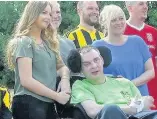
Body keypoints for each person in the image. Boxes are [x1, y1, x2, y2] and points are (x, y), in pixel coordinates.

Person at [6, 1, 70, 119]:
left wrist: (65, 80)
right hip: (28, 103)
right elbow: (26, 81)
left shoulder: (49, 43)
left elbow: (62, 67)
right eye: (44, 13)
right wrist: (57, 96)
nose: (48, 17)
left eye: (50, 14)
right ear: (33, 14)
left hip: (48, 104)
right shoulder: (25, 42)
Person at [69, 46, 155, 119]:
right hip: (111, 115)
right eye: (87, 64)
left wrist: (142, 103)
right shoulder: (80, 86)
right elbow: (93, 111)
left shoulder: (124, 82)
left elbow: (141, 107)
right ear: (80, 68)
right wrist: (133, 108)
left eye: (96, 60)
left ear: (102, 60)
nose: (94, 66)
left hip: (136, 116)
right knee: (111, 109)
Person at [92, 5, 154, 96]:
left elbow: (150, 71)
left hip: (141, 99)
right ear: (105, 23)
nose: (119, 22)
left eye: (121, 18)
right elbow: (93, 76)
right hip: (114, 100)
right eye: (113, 20)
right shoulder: (97, 46)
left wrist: (130, 84)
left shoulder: (137, 41)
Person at [124, 1, 157, 109]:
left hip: (154, 91)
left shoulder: (153, 32)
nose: (145, 7)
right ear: (130, 8)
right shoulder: (121, 30)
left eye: (146, 4)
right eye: (141, 4)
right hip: (131, 92)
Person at [50, 1, 76, 66]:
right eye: (51, 13)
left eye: (58, 12)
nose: (55, 16)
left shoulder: (69, 44)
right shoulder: (36, 43)